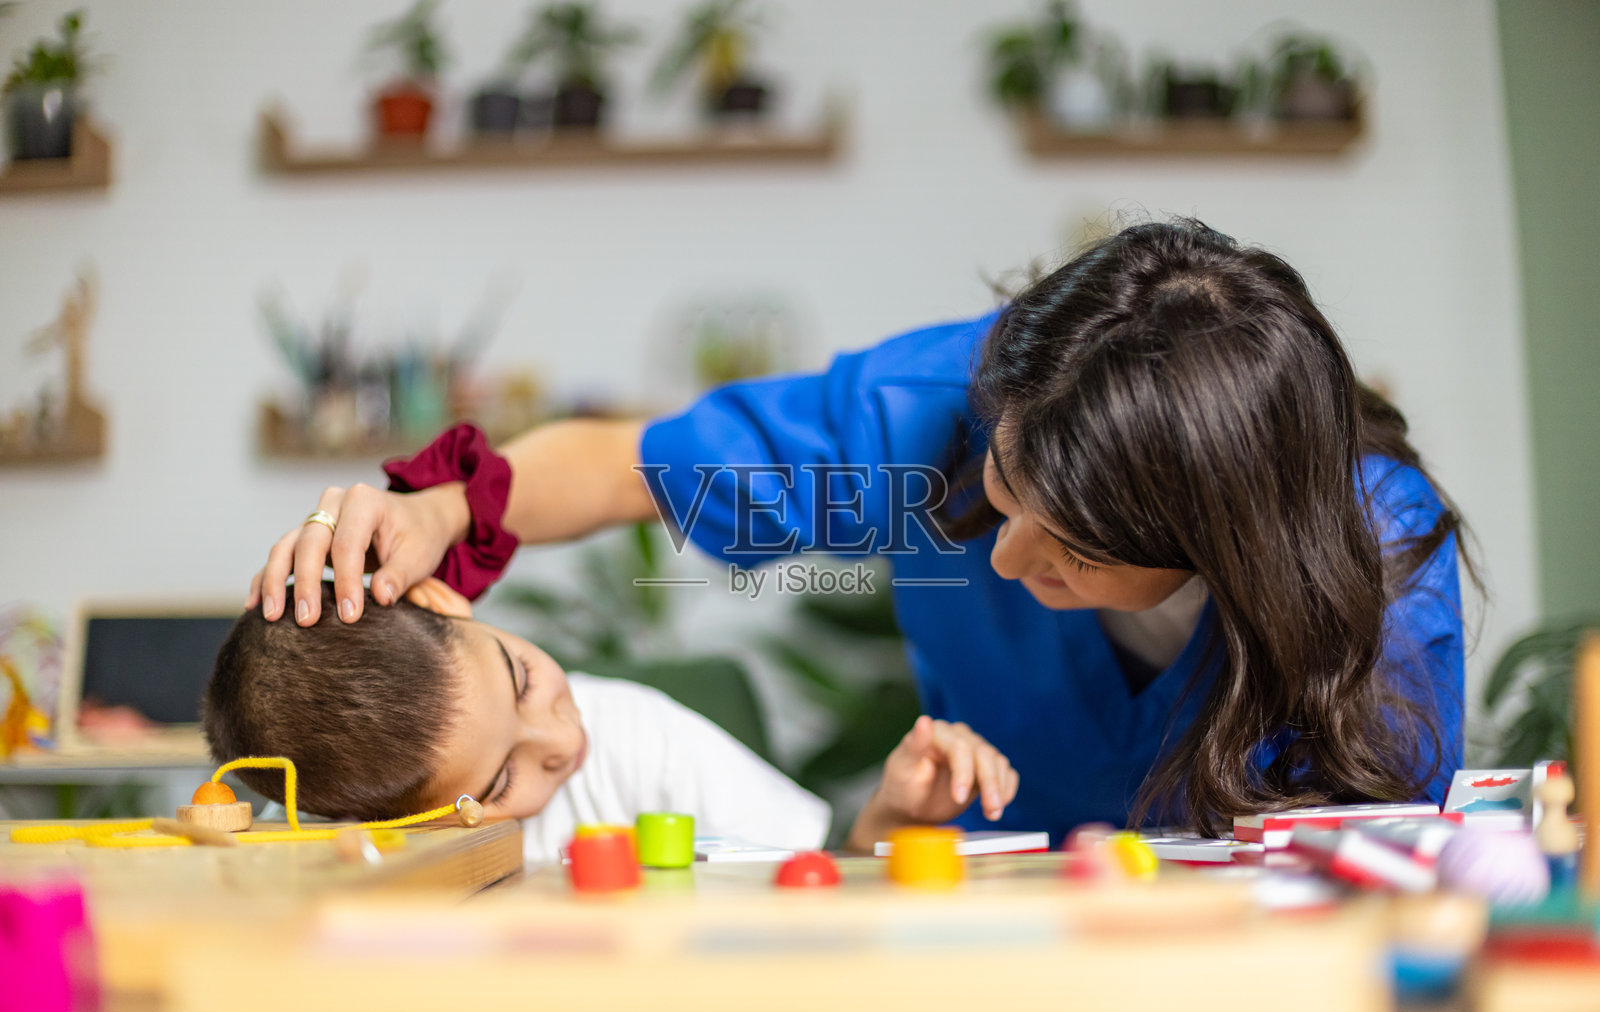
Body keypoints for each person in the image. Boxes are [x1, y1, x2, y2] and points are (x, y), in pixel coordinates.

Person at [248, 219, 1470, 841]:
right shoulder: (921, 423)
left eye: (1073, 550)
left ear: (1225, 545)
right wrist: (445, 505)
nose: (997, 554)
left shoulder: (1375, 574)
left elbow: (1365, 895)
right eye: (1000, 485)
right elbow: (633, 469)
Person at [205, 579, 1019, 859]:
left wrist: (890, 817)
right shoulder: (371, 864)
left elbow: (818, 881)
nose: (564, 740)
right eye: (499, 780)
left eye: (523, 677)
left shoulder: (636, 733)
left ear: (442, 600)